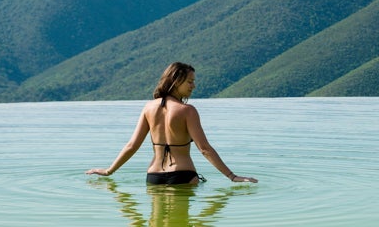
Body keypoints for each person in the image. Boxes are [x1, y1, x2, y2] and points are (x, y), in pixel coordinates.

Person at [87, 62, 257, 184]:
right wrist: (232, 176)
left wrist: (109, 171)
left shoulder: (148, 108)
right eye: (190, 81)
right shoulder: (187, 110)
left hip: (154, 177)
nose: (194, 86)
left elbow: (132, 145)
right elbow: (204, 148)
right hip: (183, 176)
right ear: (176, 82)